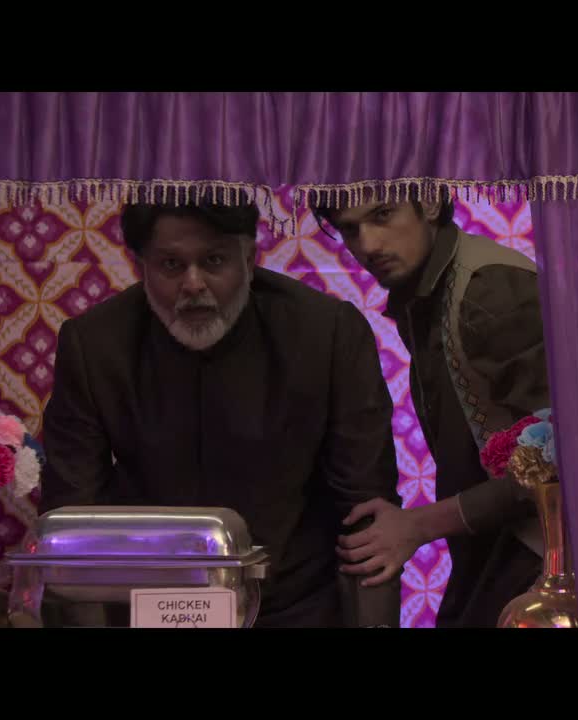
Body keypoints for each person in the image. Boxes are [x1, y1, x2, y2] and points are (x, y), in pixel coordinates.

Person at [39, 199, 401, 628]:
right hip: (146, 604)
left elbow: (366, 513)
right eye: (171, 265)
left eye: (213, 261)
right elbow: (72, 519)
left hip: (294, 606)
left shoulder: (326, 334)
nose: (193, 284)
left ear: (248, 259)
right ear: (140, 266)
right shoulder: (95, 345)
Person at [312, 191, 548, 628]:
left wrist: (418, 526)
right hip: (496, 555)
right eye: (350, 229)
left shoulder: (489, 292)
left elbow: (559, 464)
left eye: (383, 214)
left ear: (430, 203)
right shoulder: (427, 291)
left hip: (542, 564)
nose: (368, 244)